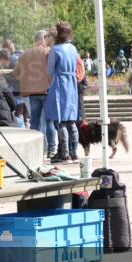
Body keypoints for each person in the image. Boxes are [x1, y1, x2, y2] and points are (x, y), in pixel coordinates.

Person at [15, 29, 55, 156]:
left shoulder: (25, 55)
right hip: (47, 91)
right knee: (49, 121)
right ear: (43, 39)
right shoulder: (49, 52)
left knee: (34, 122)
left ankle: (35, 149)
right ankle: (51, 149)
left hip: (32, 93)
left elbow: (16, 73)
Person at [46, 22, 82, 162]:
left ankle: (65, 154)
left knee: (59, 121)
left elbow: (49, 70)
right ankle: (74, 153)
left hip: (59, 84)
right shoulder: (73, 48)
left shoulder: (55, 49)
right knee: (71, 122)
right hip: (72, 84)